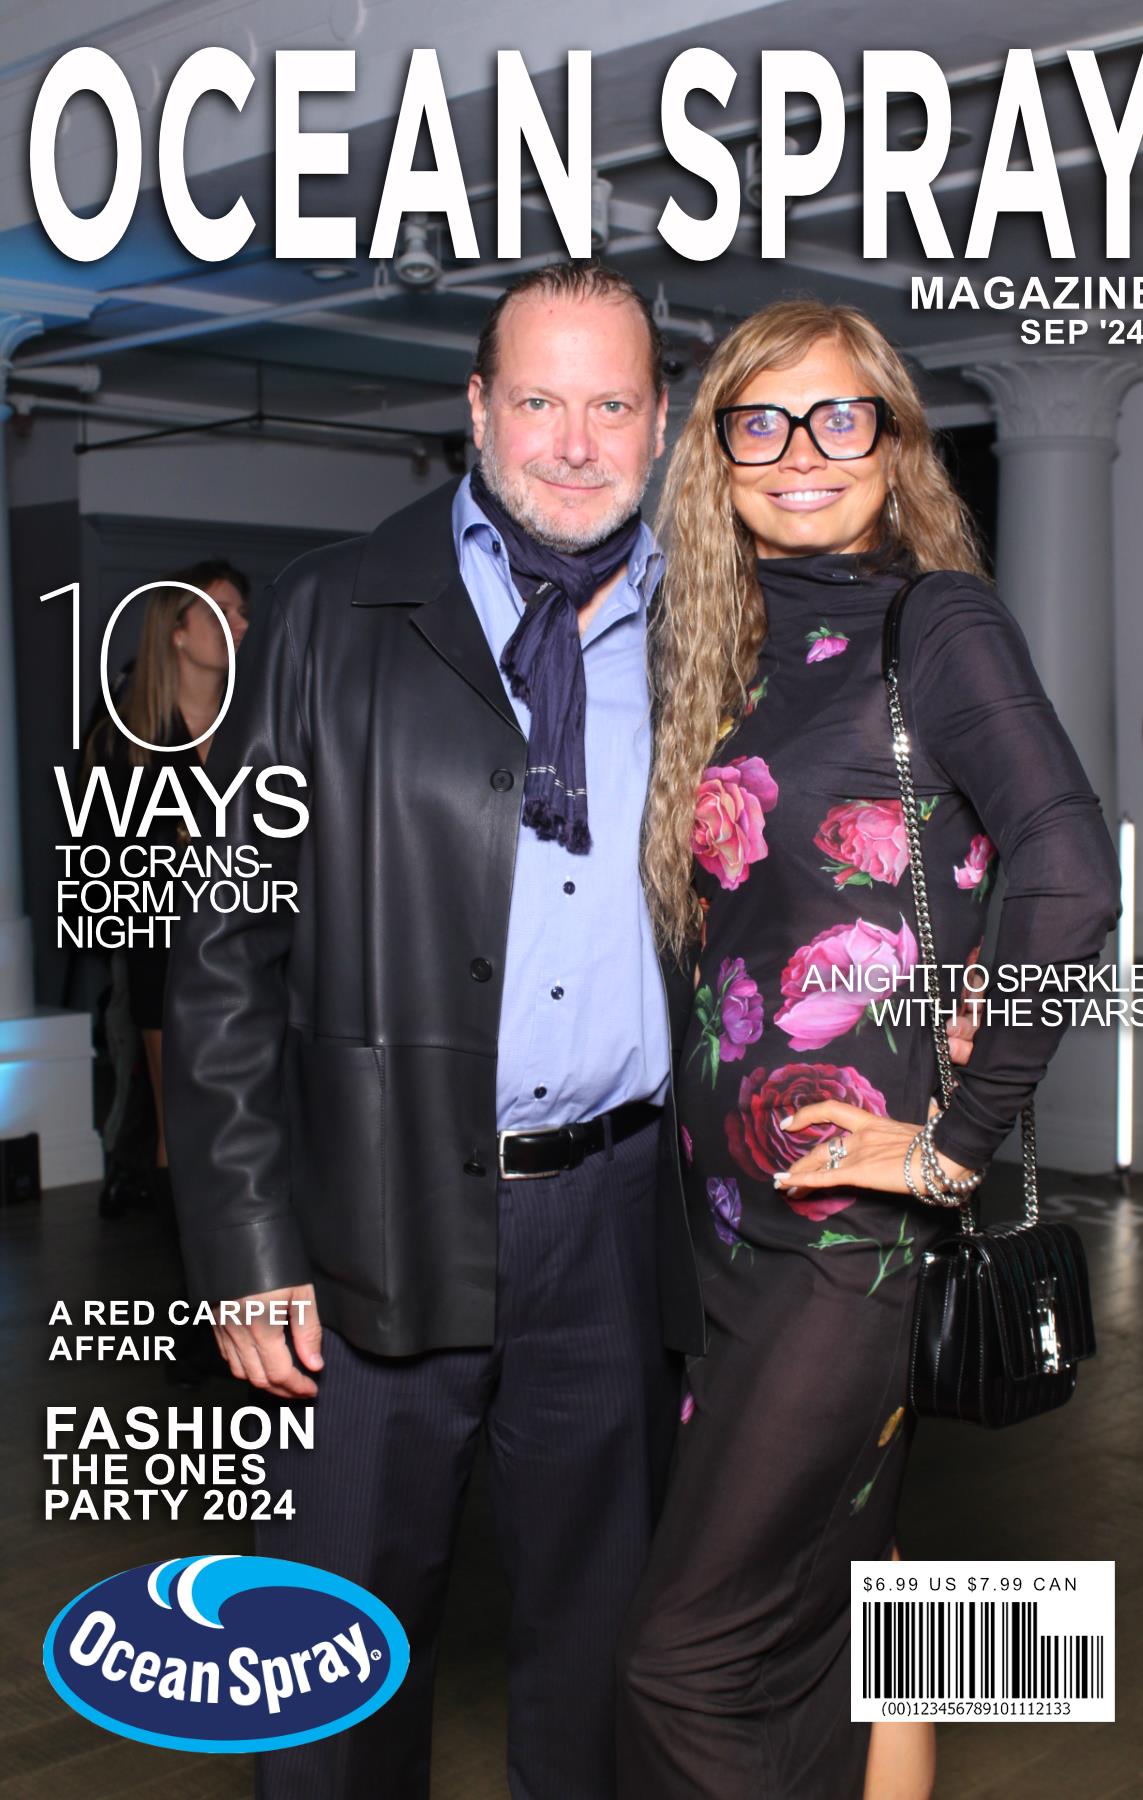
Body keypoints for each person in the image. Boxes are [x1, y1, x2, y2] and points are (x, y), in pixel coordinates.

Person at [162, 264, 706, 1798]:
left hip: (617, 1219)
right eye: (539, 399)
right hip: (370, 1215)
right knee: (329, 1652)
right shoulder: (334, 610)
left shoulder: (706, 629)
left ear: (660, 421)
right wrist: (246, 1242)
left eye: (611, 403)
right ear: (474, 408)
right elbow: (222, 955)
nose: (576, 442)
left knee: (600, 1649)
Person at [616, 300, 1122, 1799]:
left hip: (850, 1228)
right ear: (717, 456)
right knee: (856, 1593)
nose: (800, 452)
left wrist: (958, 1144)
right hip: (727, 1218)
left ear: (895, 440)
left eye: (841, 416)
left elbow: (1069, 872)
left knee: (683, 1660)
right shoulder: (726, 645)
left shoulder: (935, 619)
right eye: (759, 422)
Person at [83, 561, 248, 1219]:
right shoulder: (126, 734)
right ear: (177, 632)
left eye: (242, 613)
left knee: (248, 1116)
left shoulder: (255, 722)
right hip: (165, 946)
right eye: (221, 612)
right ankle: (184, 1262)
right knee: (177, 1112)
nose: (239, 625)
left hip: (253, 945)